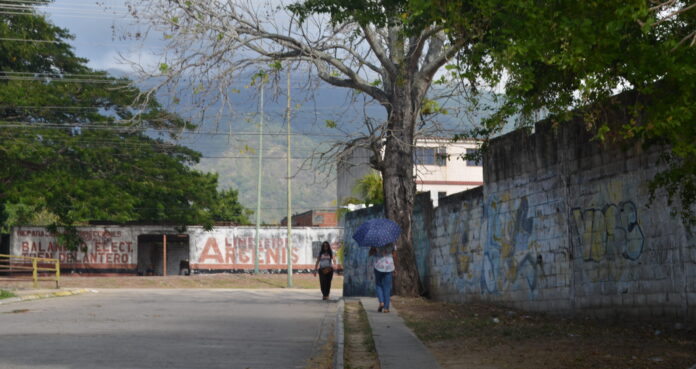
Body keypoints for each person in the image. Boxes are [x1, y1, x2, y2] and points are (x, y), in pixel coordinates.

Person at [370, 244, 396, 313]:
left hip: (378, 266)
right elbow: (394, 254)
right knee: (387, 287)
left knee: (378, 285)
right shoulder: (392, 242)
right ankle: (386, 308)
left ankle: (381, 302)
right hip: (389, 266)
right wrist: (394, 266)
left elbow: (371, 253)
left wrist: (373, 249)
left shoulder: (375, 242)